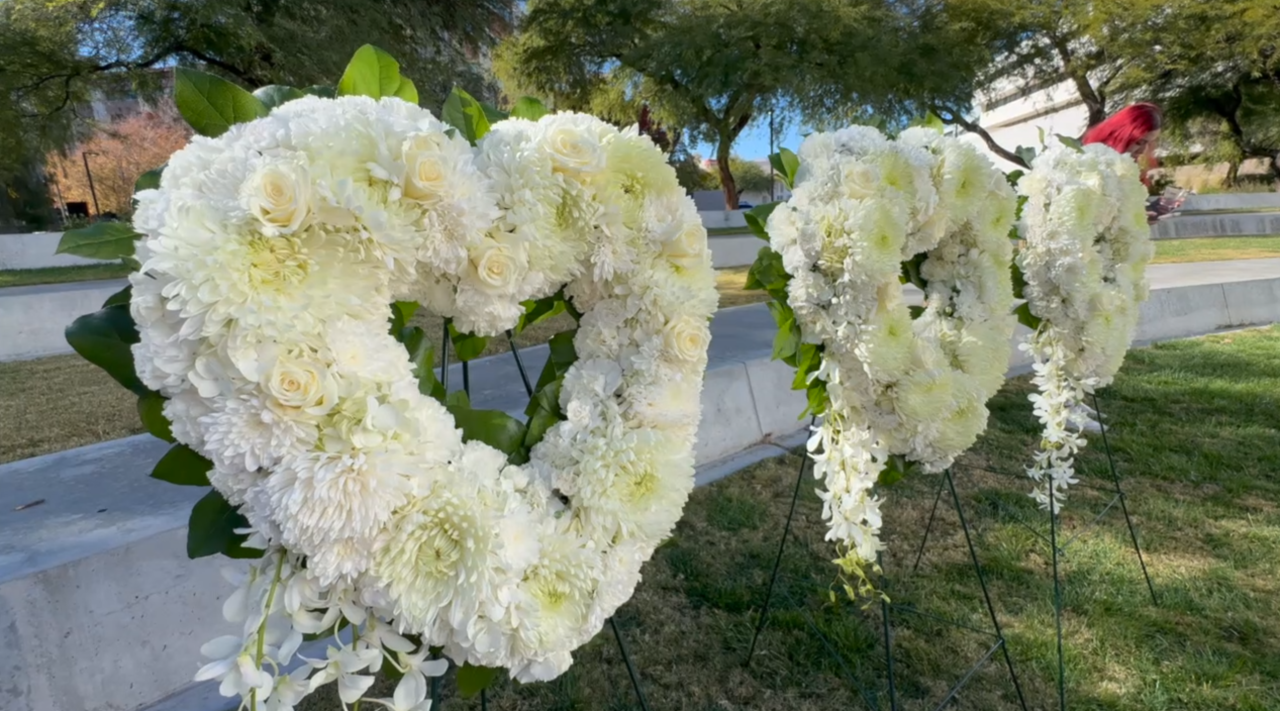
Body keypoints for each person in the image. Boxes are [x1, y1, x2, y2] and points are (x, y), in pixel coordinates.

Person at [1082, 103, 1185, 222]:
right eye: (1140, 142)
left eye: (1149, 143)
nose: (1143, 150)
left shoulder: (1128, 167)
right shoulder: (1088, 163)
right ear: (1123, 135)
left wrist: (1143, 214)